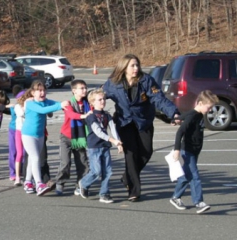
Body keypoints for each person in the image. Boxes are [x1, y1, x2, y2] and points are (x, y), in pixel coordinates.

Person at [102, 54, 180, 202]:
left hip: (143, 121)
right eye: (132, 65)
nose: (136, 68)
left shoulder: (146, 81)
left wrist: (174, 113)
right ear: (124, 67)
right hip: (124, 122)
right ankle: (133, 190)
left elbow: (159, 99)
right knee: (130, 155)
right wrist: (84, 104)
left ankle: (127, 177)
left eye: (137, 65)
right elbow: (98, 96)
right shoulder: (113, 83)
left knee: (146, 152)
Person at [169, 90, 218, 214]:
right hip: (188, 151)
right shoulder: (193, 116)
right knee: (195, 177)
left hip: (195, 150)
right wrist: (177, 149)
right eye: (209, 107)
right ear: (201, 103)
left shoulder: (197, 114)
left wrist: (176, 119)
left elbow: (184, 116)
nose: (210, 110)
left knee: (186, 176)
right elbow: (180, 132)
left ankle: (175, 197)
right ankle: (199, 202)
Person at [21, 80, 69, 196]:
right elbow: (43, 110)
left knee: (33, 160)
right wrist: (60, 105)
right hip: (28, 134)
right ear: (32, 93)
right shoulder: (30, 103)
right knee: (36, 157)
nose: (42, 93)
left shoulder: (45, 101)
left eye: (43, 90)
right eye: (39, 90)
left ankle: (28, 182)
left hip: (40, 134)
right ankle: (39, 184)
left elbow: (53, 103)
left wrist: (64, 104)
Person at [78, 89, 123, 203]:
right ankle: (83, 183)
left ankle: (104, 194)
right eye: (99, 99)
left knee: (107, 171)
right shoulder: (91, 116)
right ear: (92, 102)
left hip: (105, 146)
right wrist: (112, 140)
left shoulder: (107, 115)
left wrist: (118, 142)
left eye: (103, 99)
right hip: (94, 147)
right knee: (96, 171)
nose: (102, 101)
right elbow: (98, 131)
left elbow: (113, 128)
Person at [48, 79, 91, 196]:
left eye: (85, 88)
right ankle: (60, 182)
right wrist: (84, 116)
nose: (84, 90)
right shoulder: (68, 103)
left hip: (80, 137)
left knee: (83, 163)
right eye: (81, 88)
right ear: (74, 91)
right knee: (65, 162)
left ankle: (81, 184)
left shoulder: (88, 104)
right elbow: (71, 115)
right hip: (66, 137)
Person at [8, 85, 24, 181]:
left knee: (22, 152)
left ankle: (20, 170)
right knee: (14, 151)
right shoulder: (14, 107)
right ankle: (13, 172)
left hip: (24, 130)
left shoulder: (27, 105)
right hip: (14, 129)